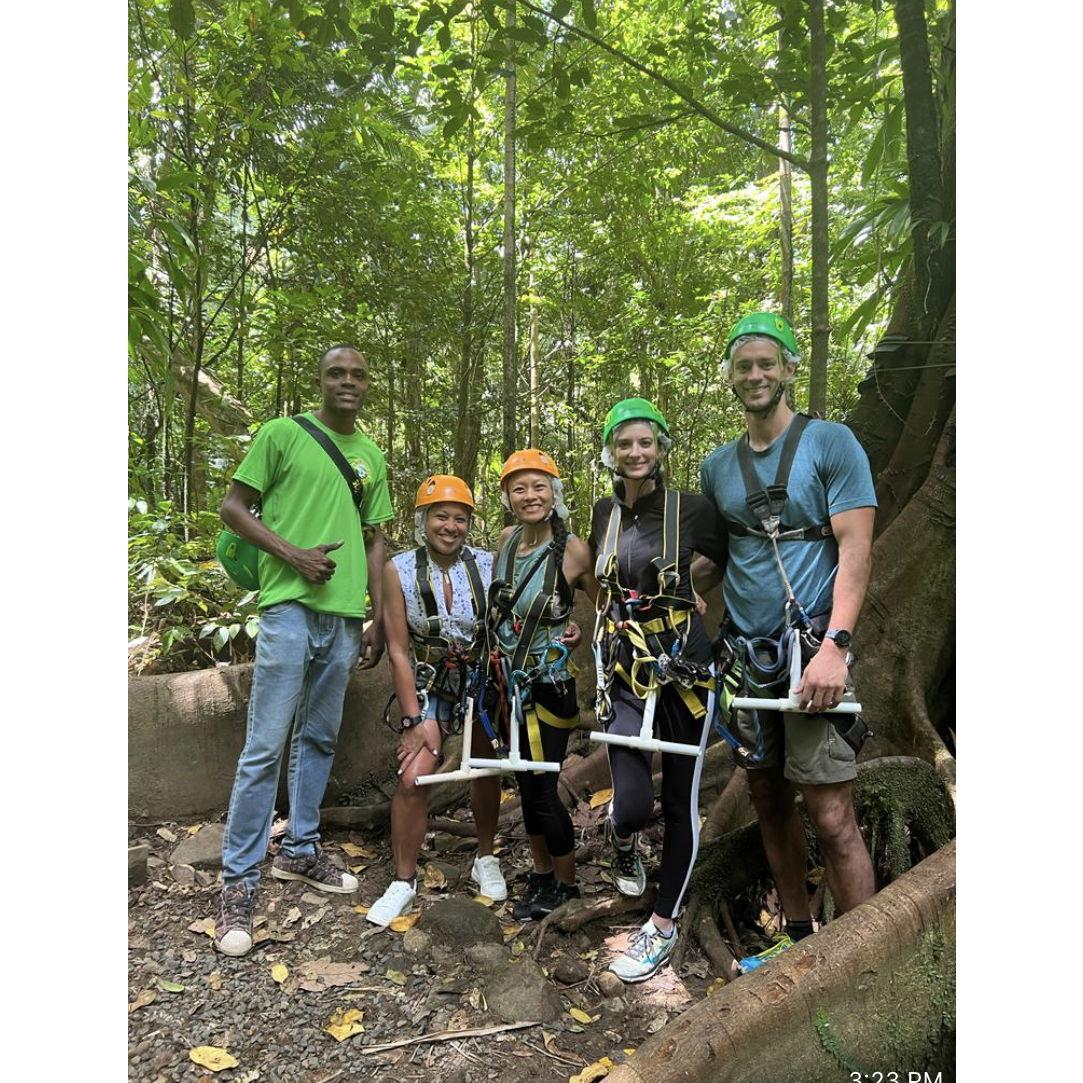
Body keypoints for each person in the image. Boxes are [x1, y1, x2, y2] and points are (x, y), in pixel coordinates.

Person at [696, 311, 877, 944]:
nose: (755, 375)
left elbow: (855, 553)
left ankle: (863, 954)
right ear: (730, 377)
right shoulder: (716, 468)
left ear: (789, 370)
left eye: (766, 363)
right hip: (748, 656)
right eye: (743, 366)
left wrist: (837, 648)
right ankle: (799, 936)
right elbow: (715, 559)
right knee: (768, 799)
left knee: (830, 811)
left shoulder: (832, 443)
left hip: (814, 650)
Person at [215, 345, 393, 957]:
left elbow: (375, 542)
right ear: (319, 381)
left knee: (319, 737)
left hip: (343, 620)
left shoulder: (371, 455)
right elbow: (232, 508)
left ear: (368, 385)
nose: (348, 382)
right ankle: (238, 882)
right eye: (336, 374)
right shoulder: (281, 434)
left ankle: (301, 848)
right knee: (265, 743)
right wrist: (293, 555)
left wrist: (373, 614)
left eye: (358, 375)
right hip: (288, 609)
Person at [589, 398, 727, 982]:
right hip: (625, 670)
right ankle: (621, 837)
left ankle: (663, 926)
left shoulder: (692, 509)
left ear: (662, 448)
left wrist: (688, 588)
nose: (636, 453)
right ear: (611, 453)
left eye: (646, 443)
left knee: (678, 803)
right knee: (633, 801)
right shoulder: (604, 513)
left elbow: (720, 563)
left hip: (686, 671)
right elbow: (598, 583)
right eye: (625, 445)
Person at [365, 475, 508, 925]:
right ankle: (403, 880)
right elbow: (398, 648)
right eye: (441, 517)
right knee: (413, 777)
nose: (450, 526)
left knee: (484, 767)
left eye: (460, 518)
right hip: (428, 681)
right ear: (423, 520)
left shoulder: (489, 564)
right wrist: (415, 717)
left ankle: (486, 857)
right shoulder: (398, 570)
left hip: (482, 680)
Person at [490, 450, 596, 920]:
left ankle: (567, 884)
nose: (530, 496)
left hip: (550, 683)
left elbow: (603, 602)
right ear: (507, 497)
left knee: (542, 786)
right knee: (522, 780)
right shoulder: (507, 540)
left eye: (539, 486)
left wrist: (580, 633)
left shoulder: (572, 549)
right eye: (519, 488)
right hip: (507, 684)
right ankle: (541, 874)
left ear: (554, 492)